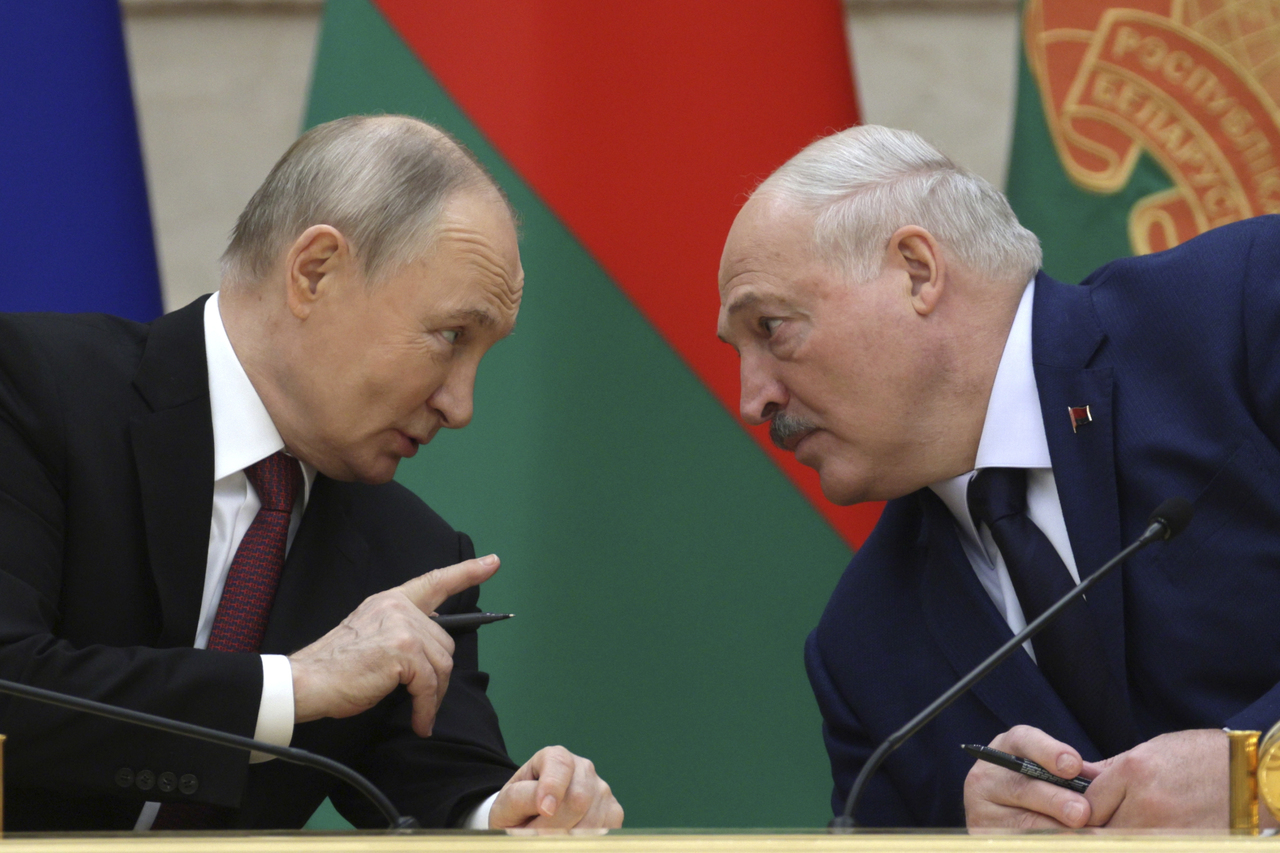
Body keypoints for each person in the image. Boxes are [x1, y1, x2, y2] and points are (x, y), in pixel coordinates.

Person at [0, 115, 622, 832]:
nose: (461, 406)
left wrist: (520, 816)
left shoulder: (413, 555)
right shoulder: (31, 391)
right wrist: (293, 687)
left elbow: (448, 791)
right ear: (315, 271)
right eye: (452, 335)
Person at [716, 124, 1280, 830]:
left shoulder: (1239, 312)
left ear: (917, 271)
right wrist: (968, 843)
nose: (753, 400)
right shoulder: (861, 649)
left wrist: (1259, 776)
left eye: (771, 328)